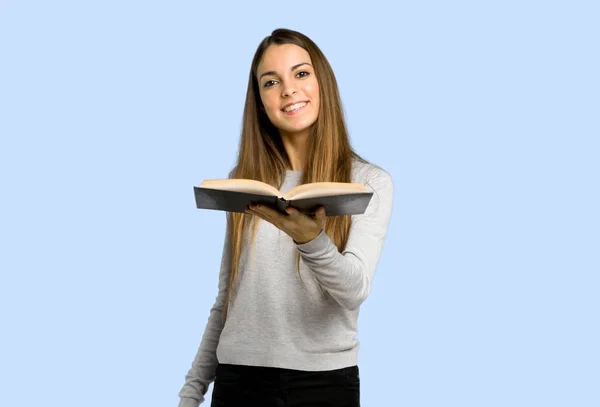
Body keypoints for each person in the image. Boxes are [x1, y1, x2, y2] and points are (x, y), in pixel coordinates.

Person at [177, 28, 394, 407]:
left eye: (301, 73)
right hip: (238, 381)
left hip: (324, 384)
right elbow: (228, 298)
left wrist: (311, 241)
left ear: (322, 81)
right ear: (260, 101)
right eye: (271, 81)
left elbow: (354, 290)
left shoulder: (369, 182)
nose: (288, 90)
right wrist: (191, 392)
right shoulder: (243, 183)